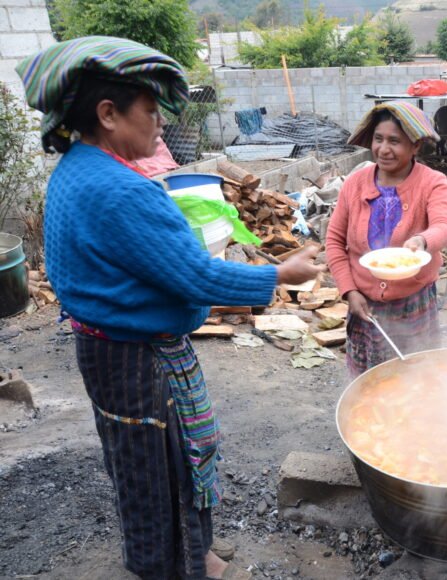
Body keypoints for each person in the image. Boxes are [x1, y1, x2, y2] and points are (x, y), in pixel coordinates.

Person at [17, 37, 324, 580]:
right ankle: (175, 566)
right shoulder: (122, 191)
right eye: (151, 111)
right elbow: (198, 275)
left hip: (105, 352)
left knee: (134, 461)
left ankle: (178, 554)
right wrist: (280, 273)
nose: (160, 123)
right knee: (168, 466)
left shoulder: (74, 170)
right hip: (140, 359)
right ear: (108, 114)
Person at [326, 101, 447, 377]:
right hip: (364, 306)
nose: (383, 149)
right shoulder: (355, 183)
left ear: (416, 146)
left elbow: (444, 226)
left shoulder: (433, 182)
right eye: (378, 139)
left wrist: (422, 240)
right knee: (368, 385)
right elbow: (335, 241)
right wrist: (350, 291)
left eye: (394, 141)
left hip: (413, 303)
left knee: (415, 380)